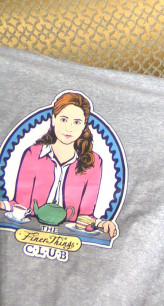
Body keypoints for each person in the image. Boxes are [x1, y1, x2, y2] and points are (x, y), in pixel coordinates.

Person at [0, 91, 117, 237]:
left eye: (76, 122)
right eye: (63, 119)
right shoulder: (33, 154)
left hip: (69, 238)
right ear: (53, 119)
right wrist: (3, 205)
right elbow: (20, 204)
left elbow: (85, 216)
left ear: (84, 126)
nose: (69, 128)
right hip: (31, 232)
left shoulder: (93, 162)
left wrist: (102, 223)